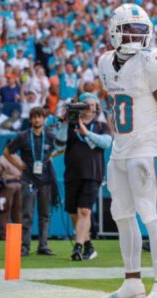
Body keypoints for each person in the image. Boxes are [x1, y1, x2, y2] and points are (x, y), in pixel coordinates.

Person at [98, 4, 157, 298]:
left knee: (150, 214)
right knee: (120, 214)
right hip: (119, 148)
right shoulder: (105, 61)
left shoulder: (153, 60)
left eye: (140, 31)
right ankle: (132, 281)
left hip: (146, 148)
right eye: (129, 30)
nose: (135, 36)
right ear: (114, 31)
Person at [56, 92, 112, 261]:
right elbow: (59, 143)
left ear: (97, 108)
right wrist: (65, 123)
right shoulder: (71, 125)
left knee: (84, 210)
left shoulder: (101, 125)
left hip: (93, 173)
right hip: (72, 173)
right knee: (74, 213)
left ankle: (77, 248)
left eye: (93, 105)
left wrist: (86, 131)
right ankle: (89, 246)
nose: (90, 107)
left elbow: (106, 142)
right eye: (86, 104)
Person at [4, 107, 56, 256]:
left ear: (44, 119)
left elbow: (60, 147)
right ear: (31, 119)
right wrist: (19, 165)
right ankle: (25, 246)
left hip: (46, 180)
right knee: (27, 214)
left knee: (45, 214)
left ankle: (43, 246)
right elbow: (7, 152)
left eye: (40, 117)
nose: (37, 120)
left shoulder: (51, 136)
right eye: (34, 117)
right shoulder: (23, 136)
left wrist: (49, 159)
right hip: (28, 180)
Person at [0, 142, 23, 240]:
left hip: (7, 186)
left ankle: (4, 235)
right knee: (17, 212)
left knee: (4, 210)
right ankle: (19, 235)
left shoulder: (2, 158)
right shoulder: (18, 158)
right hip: (19, 185)